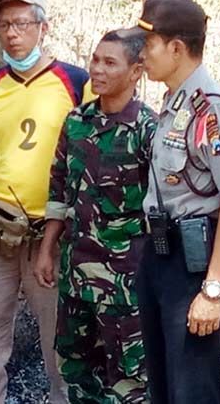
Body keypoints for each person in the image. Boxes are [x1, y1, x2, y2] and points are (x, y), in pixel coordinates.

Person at [0, 0, 94, 404]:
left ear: (43, 27)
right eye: (3, 25)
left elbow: (91, 153)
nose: (12, 33)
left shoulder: (75, 82)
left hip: (53, 231)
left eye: (20, 23)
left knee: (59, 337)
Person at [129, 0, 220, 404]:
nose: (141, 55)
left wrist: (212, 291)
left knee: (194, 389)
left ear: (176, 48)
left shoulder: (210, 107)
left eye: (148, 45)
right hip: (160, 256)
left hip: (194, 264)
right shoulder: (173, 102)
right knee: (163, 384)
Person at [35, 29, 155, 404]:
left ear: (136, 71)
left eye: (109, 62)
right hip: (76, 277)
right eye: (95, 60)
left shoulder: (148, 130)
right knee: (76, 372)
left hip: (124, 284)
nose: (97, 70)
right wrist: (47, 249)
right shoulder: (76, 122)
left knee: (127, 382)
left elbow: (163, 209)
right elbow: (58, 191)